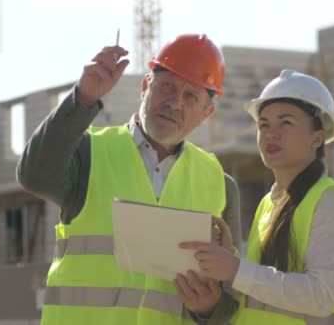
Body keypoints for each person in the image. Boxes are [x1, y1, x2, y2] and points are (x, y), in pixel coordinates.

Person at [16, 33, 242, 325]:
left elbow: (232, 301)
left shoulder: (220, 185)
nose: (175, 103)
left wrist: (210, 308)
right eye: (167, 87)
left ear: (206, 113)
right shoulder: (89, 152)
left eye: (191, 96)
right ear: (146, 85)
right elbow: (34, 176)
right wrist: (82, 98)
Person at [181, 69, 334, 324]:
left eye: (285, 122)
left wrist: (234, 268)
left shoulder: (330, 200)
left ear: (317, 138)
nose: (270, 133)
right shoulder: (269, 203)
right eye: (264, 124)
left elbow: (321, 297)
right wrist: (229, 261)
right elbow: (260, 297)